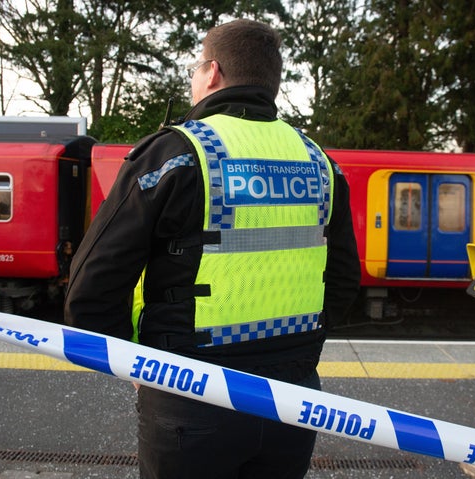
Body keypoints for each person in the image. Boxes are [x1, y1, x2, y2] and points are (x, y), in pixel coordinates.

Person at [64, 18, 360, 479]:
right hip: (295, 397)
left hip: (191, 392)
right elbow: (341, 281)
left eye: (194, 68)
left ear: (213, 72)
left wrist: (140, 364)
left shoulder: (176, 154)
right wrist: (297, 354)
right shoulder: (319, 161)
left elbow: (93, 287)